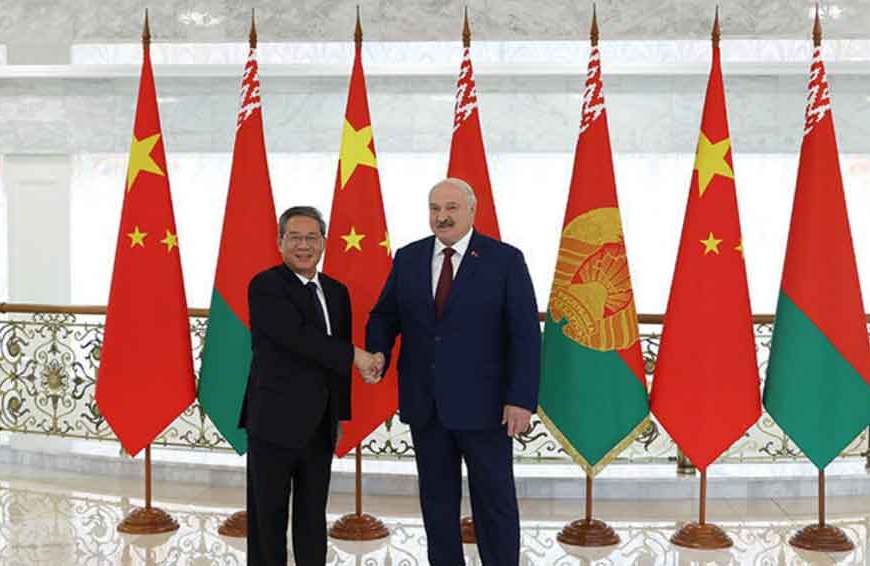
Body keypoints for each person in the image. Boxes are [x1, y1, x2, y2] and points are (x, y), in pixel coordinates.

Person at [364, 178, 541, 565]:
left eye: (451, 208)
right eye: (435, 208)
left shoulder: (504, 260)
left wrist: (521, 399)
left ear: (472, 211)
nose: (441, 216)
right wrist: (378, 351)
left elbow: (525, 335)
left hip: (487, 409)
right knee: (437, 504)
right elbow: (384, 315)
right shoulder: (408, 257)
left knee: (494, 504)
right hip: (426, 406)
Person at [239, 206, 381, 566]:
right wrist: (357, 355)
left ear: (324, 242)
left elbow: (337, 363)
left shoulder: (336, 291)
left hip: (320, 424)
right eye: (295, 238)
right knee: (268, 516)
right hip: (273, 421)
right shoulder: (266, 286)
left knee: (312, 515)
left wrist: (341, 414)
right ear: (280, 242)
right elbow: (298, 337)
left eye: (312, 238)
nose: (304, 246)